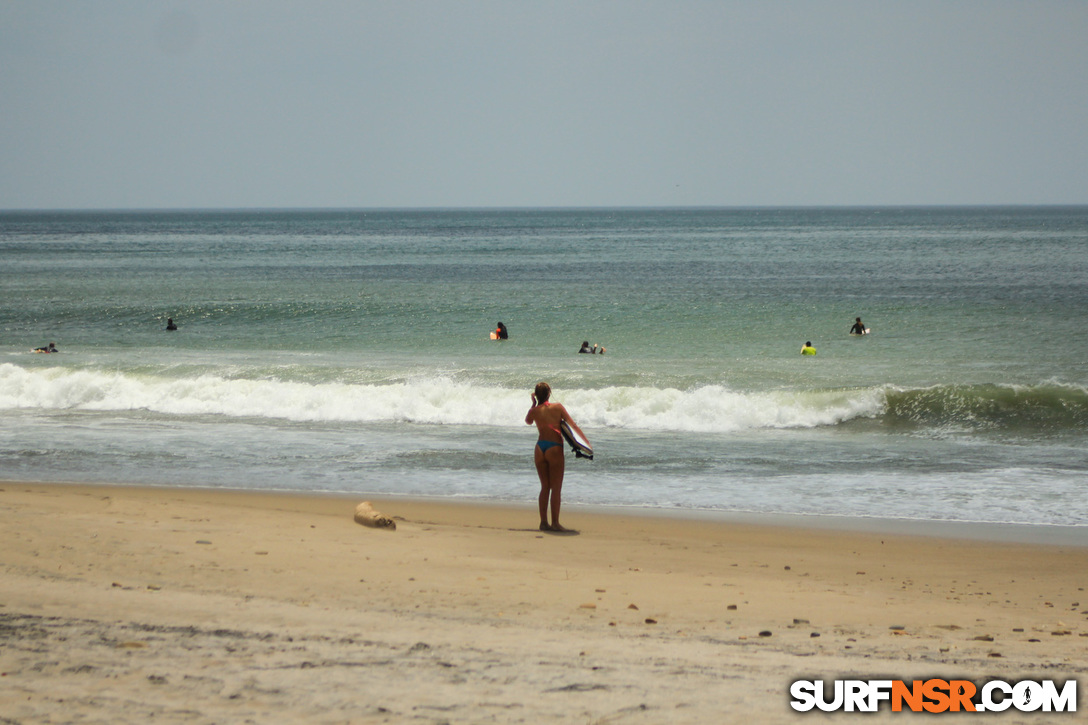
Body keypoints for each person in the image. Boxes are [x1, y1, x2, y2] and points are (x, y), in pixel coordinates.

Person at [524, 381, 588, 533]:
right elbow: (573, 425)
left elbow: (528, 421)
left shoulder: (535, 410)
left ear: (536, 395)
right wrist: (586, 443)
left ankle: (543, 522)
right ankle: (555, 523)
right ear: (549, 393)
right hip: (554, 447)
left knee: (545, 487)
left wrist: (533, 404)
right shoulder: (557, 407)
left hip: (540, 448)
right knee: (556, 488)